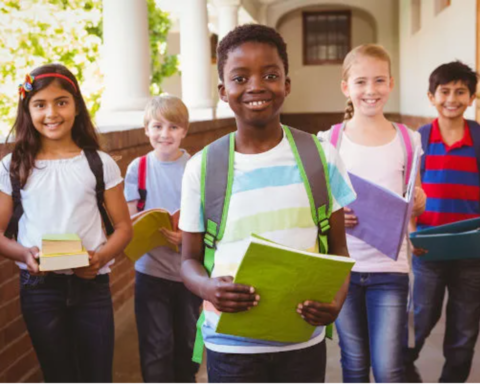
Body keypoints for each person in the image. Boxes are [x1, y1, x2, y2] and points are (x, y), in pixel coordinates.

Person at [179, 24, 357, 383]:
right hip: (231, 348)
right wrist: (207, 287)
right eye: (240, 78)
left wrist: (335, 302)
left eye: (270, 75)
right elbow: (187, 260)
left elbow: (338, 248)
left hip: (301, 342)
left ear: (287, 85)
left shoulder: (322, 157)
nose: (256, 86)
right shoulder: (203, 166)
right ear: (223, 91)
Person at [0, 64, 132, 383]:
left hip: (91, 284)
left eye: (61, 102)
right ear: (27, 109)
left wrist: (100, 257)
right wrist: (23, 255)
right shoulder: (14, 165)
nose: (51, 113)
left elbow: (124, 227)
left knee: (97, 374)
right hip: (40, 290)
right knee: (58, 374)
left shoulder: (98, 163)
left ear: (76, 105)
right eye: (40, 104)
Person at [317, 44, 426, 382]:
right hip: (344, 269)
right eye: (361, 81)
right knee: (354, 363)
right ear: (345, 87)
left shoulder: (408, 139)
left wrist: (418, 201)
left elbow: (414, 195)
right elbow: (318, 205)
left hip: (390, 269)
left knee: (389, 367)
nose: (371, 90)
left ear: (391, 84)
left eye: (379, 81)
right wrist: (335, 214)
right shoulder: (331, 141)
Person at [404, 61, 480, 383]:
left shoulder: (478, 137)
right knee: (419, 320)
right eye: (445, 91)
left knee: (464, 330)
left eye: (460, 91)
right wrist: (412, 235)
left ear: (472, 97)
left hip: (472, 252)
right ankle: (403, 371)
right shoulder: (419, 138)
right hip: (428, 250)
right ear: (431, 96)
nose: (452, 98)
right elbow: (407, 193)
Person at [124, 95, 202, 382]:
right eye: (157, 126)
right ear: (146, 129)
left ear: (184, 130)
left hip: (189, 273)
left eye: (173, 127)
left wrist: (186, 238)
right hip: (151, 273)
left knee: (188, 345)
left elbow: (211, 221)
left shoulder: (197, 167)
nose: (164, 134)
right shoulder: (138, 169)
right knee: (155, 348)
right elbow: (130, 221)